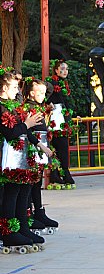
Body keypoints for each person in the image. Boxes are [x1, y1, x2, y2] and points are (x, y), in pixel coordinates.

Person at [0, 71, 52, 253]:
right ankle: (8, 232)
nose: (17, 91)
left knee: (21, 190)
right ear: (4, 88)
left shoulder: (13, 106)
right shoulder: (1, 107)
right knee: (10, 193)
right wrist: (27, 124)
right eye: (14, 87)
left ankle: (21, 228)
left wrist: (40, 145)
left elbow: (24, 131)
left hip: (18, 157)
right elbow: (11, 133)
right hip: (6, 159)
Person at [23, 78, 59, 233]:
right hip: (35, 147)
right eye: (40, 92)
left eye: (44, 92)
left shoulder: (39, 106)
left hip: (41, 145)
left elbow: (50, 89)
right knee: (31, 183)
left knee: (37, 182)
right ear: (31, 93)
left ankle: (38, 212)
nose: (45, 95)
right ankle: (30, 214)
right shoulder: (28, 108)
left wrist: (39, 84)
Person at [46, 60, 75, 188]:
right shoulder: (52, 82)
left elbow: (65, 101)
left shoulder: (63, 83)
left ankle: (60, 173)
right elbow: (46, 96)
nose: (65, 71)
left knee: (61, 145)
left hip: (61, 116)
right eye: (62, 69)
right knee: (58, 145)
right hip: (55, 117)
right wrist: (48, 103)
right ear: (56, 70)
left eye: (66, 69)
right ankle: (58, 173)